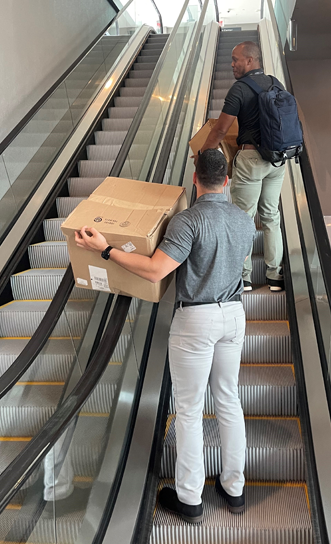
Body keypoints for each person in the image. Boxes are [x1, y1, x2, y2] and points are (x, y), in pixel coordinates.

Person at [75, 150, 256, 523]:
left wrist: (104, 249)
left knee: (190, 411)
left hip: (196, 320)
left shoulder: (188, 221)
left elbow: (156, 271)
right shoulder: (243, 220)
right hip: (235, 316)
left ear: (195, 178)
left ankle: (190, 498)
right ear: (226, 181)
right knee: (228, 401)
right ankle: (234, 488)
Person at [199, 41, 286, 292]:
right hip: (277, 160)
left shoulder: (240, 88)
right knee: (271, 217)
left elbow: (221, 129)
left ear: (250, 60)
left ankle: (244, 277)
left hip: (251, 159)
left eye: (236, 59)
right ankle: (274, 276)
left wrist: (204, 153)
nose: (232, 64)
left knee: (243, 218)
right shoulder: (275, 83)